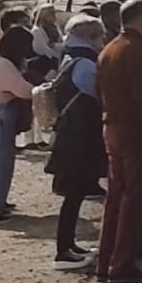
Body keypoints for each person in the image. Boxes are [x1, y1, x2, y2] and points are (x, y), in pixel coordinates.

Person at [95, 0, 142, 282]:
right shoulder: (139, 52)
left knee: (116, 196)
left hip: (112, 125)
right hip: (137, 130)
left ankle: (107, 260)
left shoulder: (110, 49)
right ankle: (123, 263)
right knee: (135, 198)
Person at [46, 15, 108, 267]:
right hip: (78, 139)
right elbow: (97, 94)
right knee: (73, 195)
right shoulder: (86, 65)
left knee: (74, 195)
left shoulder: (71, 58)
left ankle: (69, 245)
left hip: (70, 136)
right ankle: (64, 251)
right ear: (90, 37)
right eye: (100, 37)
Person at [0, 26, 38, 222]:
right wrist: (40, 88)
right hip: (3, 111)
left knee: (0, 159)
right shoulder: (3, 65)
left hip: (1, 111)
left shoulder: (1, 62)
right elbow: (22, 90)